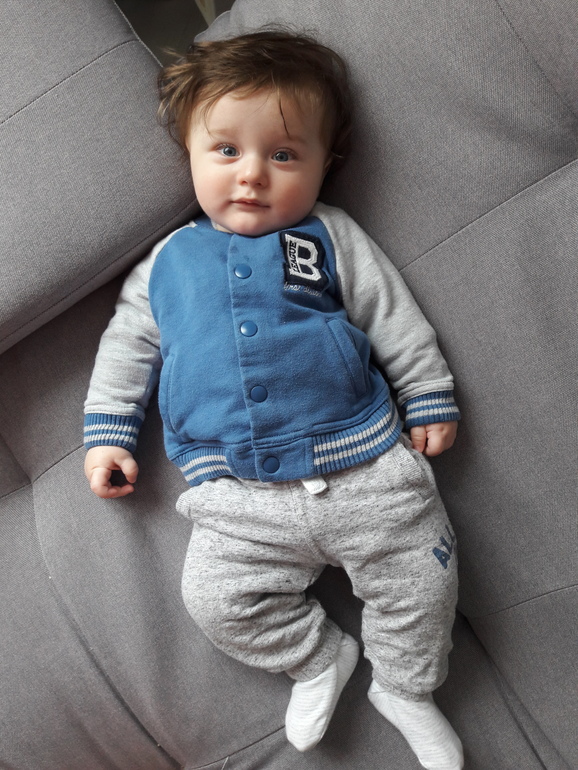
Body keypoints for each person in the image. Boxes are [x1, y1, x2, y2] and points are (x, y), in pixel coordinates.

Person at [83, 30, 464, 770]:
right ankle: (318, 658)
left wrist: (426, 390)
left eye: (284, 155)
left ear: (326, 164)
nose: (252, 174)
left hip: (363, 465)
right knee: (214, 599)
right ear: (191, 155)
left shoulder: (328, 235)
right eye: (226, 150)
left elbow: (389, 313)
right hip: (236, 495)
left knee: (424, 577)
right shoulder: (166, 264)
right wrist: (108, 434)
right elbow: (126, 351)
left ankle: (406, 688)